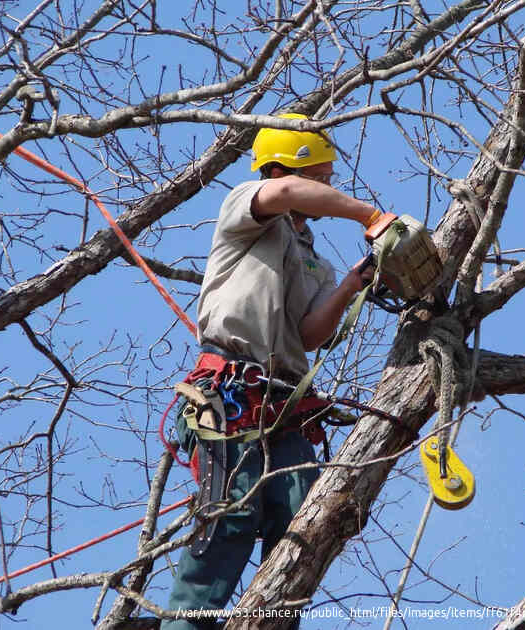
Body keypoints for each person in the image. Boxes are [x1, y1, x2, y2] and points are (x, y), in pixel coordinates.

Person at [163, 113, 385, 629]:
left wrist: (355, 282)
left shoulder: (313, 259)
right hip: (229, 395)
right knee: (230, 519)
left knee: (302, 523)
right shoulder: (247, 208)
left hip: (284, 405)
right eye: (322, 179)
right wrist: (370, 215)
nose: (327, 189)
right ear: (289, 168)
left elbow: (310, 335)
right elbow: (283, 191)